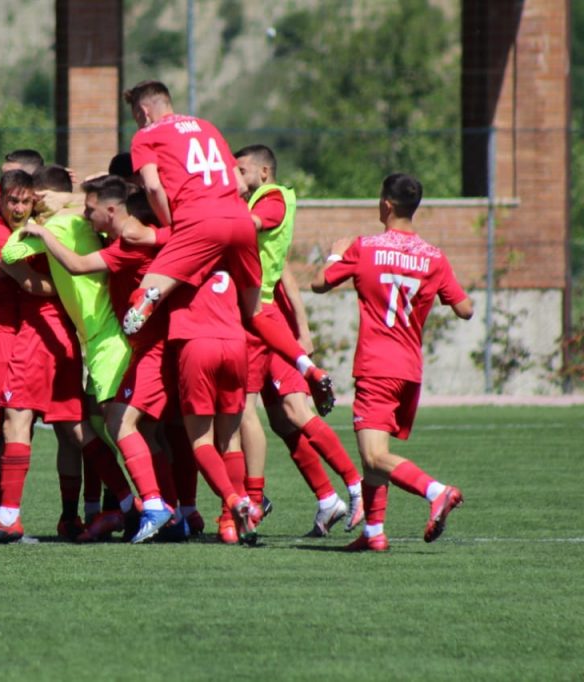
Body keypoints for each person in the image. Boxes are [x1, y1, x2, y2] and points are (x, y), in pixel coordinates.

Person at [118, 80, 336, 417]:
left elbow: (151, 185)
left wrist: (172, 226)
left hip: (198, 222)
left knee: (147, 289)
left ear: (144, 111)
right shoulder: (208, 128)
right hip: (238, 219)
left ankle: (152, 294)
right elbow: (236, 182)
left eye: (136, 116)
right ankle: (310, 369)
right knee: (257, 313)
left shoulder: (146, 135)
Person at [19, 175, 190, 543]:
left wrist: (43, 234)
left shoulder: (130, 237)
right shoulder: (129, 232)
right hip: (143, 343)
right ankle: (173, 514)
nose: (84, 215)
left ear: (110, 210)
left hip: (147, 346)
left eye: (90, 209)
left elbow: (78, 266)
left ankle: (155, 505)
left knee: (119, 423)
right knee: (142, 430)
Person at [311, 173, 473, 552]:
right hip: (409, 370)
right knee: (375, 454)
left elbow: (319, 283)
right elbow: (465, 309)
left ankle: (437, 491)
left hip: (376, 365)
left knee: (373, 454)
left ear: (385, 205)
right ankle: (373, 534)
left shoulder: (364, 248)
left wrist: (336, 253)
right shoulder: (434, 257)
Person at [233, 144, 364, 539]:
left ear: (264, 172)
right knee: (281, 421)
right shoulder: (261, 200)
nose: (235, 178)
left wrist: (300, 333)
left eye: (241, 171)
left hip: (266, 322)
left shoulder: (270, 199)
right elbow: (284, 269)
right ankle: (327, 499)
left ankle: (353, 485)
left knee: (284, 411)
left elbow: (254, 237)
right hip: (263, 320)